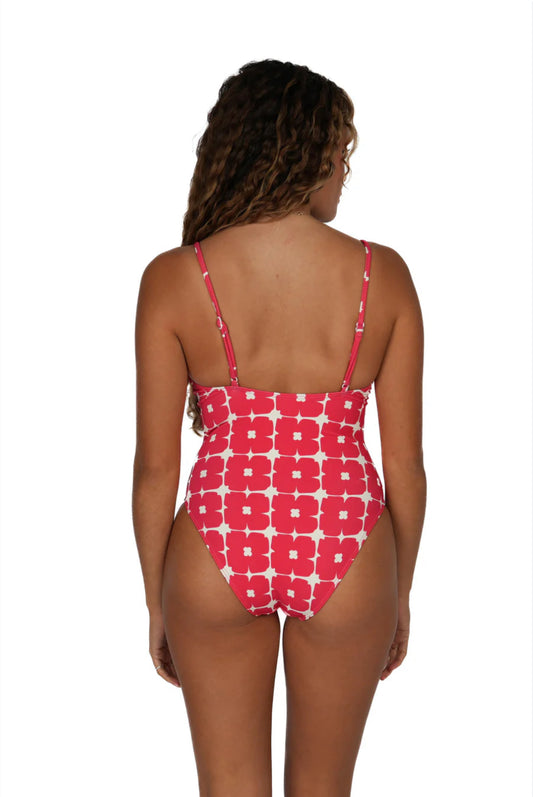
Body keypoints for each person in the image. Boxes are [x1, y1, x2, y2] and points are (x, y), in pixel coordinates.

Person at [132, 58, 426, 797]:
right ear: (300, 151)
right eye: (339, 152)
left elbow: (155, 471)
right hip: (346, 540)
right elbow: (405, 465)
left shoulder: (174, 277)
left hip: (216, 541)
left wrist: (156, 601)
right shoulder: (383, 275)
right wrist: (399, 593)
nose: (344, 171)